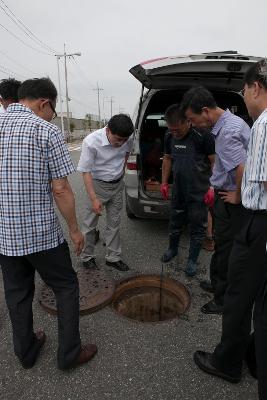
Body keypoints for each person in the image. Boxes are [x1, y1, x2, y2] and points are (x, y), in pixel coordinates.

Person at [0, 77, 97, 370]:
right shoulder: (46, 130)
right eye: (52, 110)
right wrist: (75, 230)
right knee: (66, 287)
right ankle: (69, 354)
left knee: (17, 295)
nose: (52, 116)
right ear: (44, 103)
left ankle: (26, 352)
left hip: (5, 237)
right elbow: (61, 189)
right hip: (41, 236)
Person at [193, 60, 267, 389]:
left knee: (238, 294)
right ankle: (254, 357)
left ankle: (227, 362)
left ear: (255, 88)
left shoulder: (260, 123)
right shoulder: (243, 124)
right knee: (260, 300)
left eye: (245, 89)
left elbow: (248, 172)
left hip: (256, 219)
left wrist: (237, 195)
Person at [181, 86, 250, 314]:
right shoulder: (230, 123)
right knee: (222, 245)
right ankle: (218, 284)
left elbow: (242, 166)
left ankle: (222, 299)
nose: (193, 125)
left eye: (193, 119)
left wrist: (237, 194)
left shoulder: (227, 133)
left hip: (231, 200)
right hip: (223, 191)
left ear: (205, 111)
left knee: (226, 249)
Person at [160, 104, 215, 276]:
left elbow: (215, 162)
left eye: (178, 130)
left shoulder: (203, 135)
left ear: (188, 122)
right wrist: (163, 182)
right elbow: (167, 158)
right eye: (171, 129)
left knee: (197, 227)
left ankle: (192, 260)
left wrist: (212, 187)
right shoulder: (169, 135)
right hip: (179, 189)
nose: (174, 133)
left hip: (199, 190)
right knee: (175, 221)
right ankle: (172, 249)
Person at [77, 114, 134, 271]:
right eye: (117, 139)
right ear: (108, 130)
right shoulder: (91, 142)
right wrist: (94, 198)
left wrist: (120, 173)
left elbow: (127, 153)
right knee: (89, 224)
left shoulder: (127, 138)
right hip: (97, 185)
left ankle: (113, 257)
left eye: (124, 140)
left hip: (116, 186)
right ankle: (87, 257)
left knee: (114, 223)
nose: (121, 143)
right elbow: (86, 172)